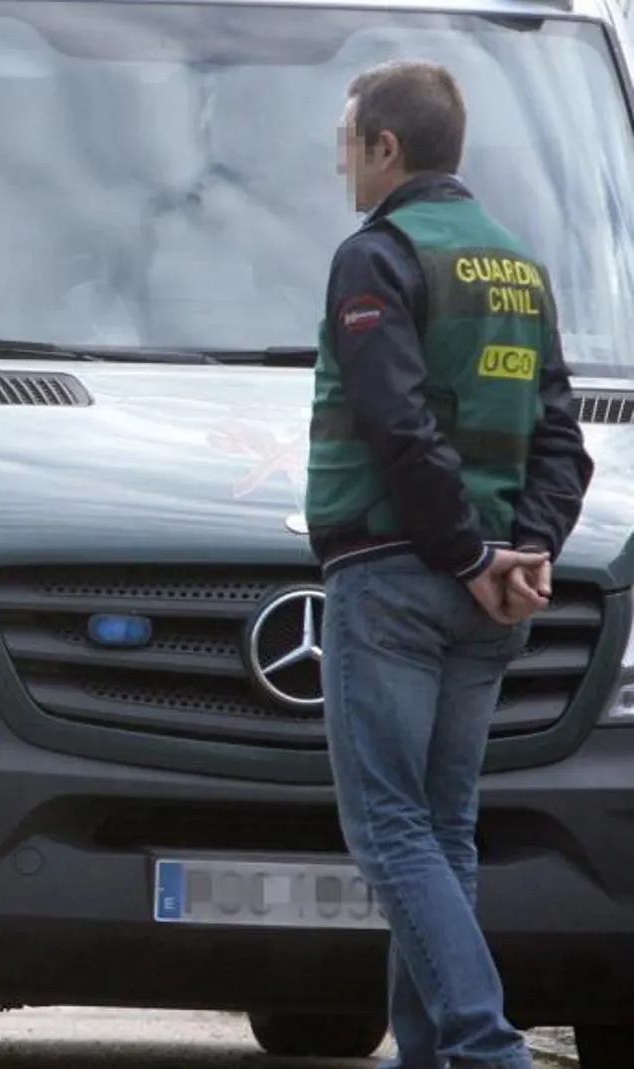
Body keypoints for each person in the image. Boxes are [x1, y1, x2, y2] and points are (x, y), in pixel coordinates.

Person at [305, 60, 592, 1069]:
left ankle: (483, 1044)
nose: (339, 155)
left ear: (387, 147)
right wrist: (530, 550)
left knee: (388, 832)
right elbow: (565, 438)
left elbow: (393, 420)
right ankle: (427, 1055)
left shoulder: (375, 255)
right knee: (440, 829)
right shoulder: (517, 265)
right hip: (489, 591)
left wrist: (471, 553)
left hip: (395, 577)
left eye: (349, 137)